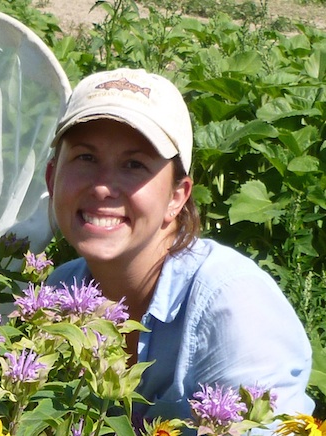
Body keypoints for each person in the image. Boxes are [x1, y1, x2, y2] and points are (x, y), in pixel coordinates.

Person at [45, 68, 314, 422]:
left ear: (177, 196)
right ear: (52, 178)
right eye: (86, 158)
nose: (102, 187)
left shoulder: (230, 304)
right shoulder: (60, 291)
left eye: (133, 164)